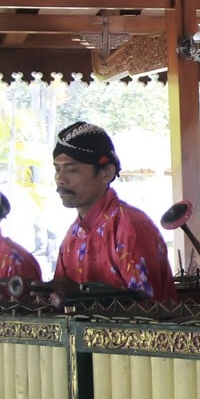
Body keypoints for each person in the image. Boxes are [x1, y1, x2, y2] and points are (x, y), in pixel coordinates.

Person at [52, 121, 177, 302]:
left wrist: (83, 293)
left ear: (106, 173)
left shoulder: (130, 226)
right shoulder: (72, 235)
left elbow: (149, 310)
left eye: (72, 169)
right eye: (57, 169)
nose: (60, 179)